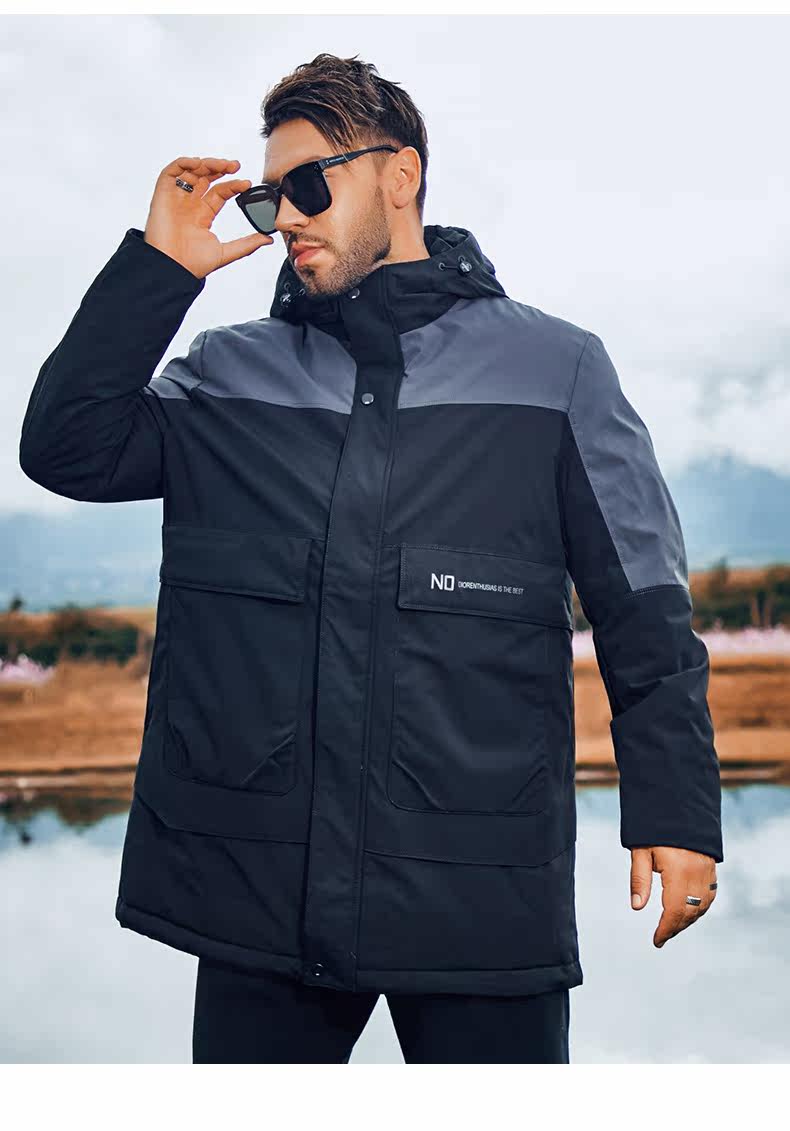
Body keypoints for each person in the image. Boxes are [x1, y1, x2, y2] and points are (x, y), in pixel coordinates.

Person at [19, 52, 722, 1064]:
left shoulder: (557, 370)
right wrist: (159, 270)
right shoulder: (227, 376)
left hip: (477, 897)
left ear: (402, 176)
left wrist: (677, 809)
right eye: (266, 199)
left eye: (308, 185)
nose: (283, 220)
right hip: (260, 906)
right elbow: (65, 448)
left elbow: (643, 606)